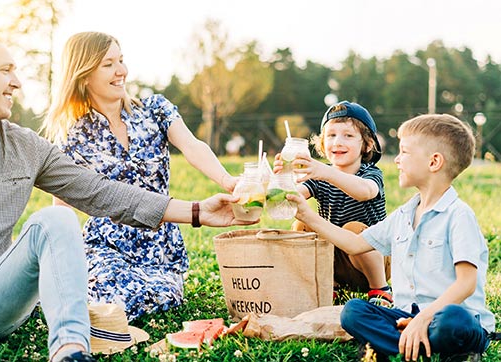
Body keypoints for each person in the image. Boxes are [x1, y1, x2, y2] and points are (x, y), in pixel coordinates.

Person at [0, 31, 254, 362]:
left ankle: (71, 351)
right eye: (5, 70)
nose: (17, 82)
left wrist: (198, 211)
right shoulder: (72, 132)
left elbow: (103, 194)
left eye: (121, 60)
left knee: (57, 219)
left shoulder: (28, 148)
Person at [41, 31, 237, 322]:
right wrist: (58, 265)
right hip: (105, 244)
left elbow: (192, 146)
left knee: (156, 296)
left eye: (121, 60)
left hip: (160, 245)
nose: (122, 71)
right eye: (108, 64)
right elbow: (63, 209)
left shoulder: (155, 110)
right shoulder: (73, 137)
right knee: (113, 295)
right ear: (84, 75)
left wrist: (228, 181)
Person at [287, 114, 495, 361]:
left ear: (434, 162)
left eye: (404, 152)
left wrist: (423, 319)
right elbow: (354, 244)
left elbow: (466, 284)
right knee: (353, 312)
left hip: (446, 318)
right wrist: (306, 215)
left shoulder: (459, 216)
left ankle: (392, 343)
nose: (396, 159)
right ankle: (414, 344)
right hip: (405, 316)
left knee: (454, 320)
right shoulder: (404, 215)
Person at [275, 101, 392, 306]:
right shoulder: (319, 176)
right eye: (331, 135)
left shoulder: (370, 173)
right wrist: (283, 178)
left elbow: (365, 192)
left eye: (348, 135)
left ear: (367, 144)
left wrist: (327, 173)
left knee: (353, 229)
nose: (337, 142)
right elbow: (291, 197)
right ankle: (328, 286)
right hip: (337, 262)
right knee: (301, 226)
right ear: (322, 143)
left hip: (373, 262)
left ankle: (380, 290)